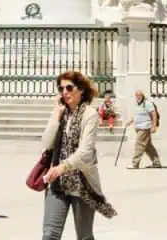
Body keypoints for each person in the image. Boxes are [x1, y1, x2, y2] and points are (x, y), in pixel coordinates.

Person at [40, 70, 116, 240]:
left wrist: (63, 166)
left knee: (84, 236)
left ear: (81, 89)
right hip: (57, 183)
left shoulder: (90, 114)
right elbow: (46, 144)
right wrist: (56, 117)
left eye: (69, 87)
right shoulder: (59, 113)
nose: (64, 92)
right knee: (49, 234)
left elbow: (86, 152)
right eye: (61, 89)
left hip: (82, 184)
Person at [125, 90, 162, 168]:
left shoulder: (147, 103)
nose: (138, 97)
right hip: (138, 128)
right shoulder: (138, 105)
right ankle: (156, 163)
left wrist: (154, 126)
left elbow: (154, 114)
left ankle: (135, 164)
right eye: (136, 95)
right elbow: (136, 116)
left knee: (139, 144)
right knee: (148, 147)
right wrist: (129, 122)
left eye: (139, 95)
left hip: (145, 127)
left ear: (143, 96)